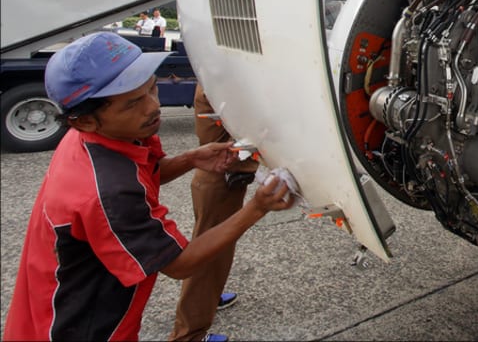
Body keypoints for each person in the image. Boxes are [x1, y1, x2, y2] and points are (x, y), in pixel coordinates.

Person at [3, 32, 293, 342]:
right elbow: (180, 264)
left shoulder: (101, 138)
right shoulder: (109, 191)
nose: (153, 106)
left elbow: (146, 172)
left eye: (152, 88)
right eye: (133, 103)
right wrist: (257, 207)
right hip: (79, 326)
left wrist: (190, 159)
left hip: (47, 304)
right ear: (84, 120)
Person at [169, 84, 259, 342]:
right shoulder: (219, 84)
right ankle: (189, 335)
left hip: (218, 179)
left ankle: (210, 296)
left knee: (214, 256)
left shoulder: (212, 76)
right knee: (208, 258)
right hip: (220, 180)